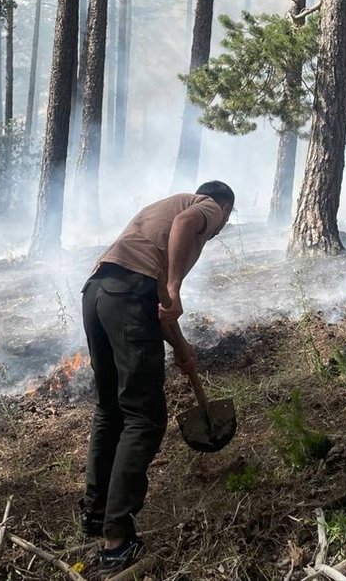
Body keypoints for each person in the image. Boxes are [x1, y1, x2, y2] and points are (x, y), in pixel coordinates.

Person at [80, 181, 235, 574]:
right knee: (144, 417)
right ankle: (117, 542)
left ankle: (96, 513)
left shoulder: (160, 213)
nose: (218, 228)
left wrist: (181, 348)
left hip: (98, 293)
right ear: (223, 209)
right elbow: (184, 230)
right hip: (128, 295)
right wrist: (176, 284)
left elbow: (159, 307)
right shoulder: (206, 207)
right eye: (223, 220)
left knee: (110, 410)